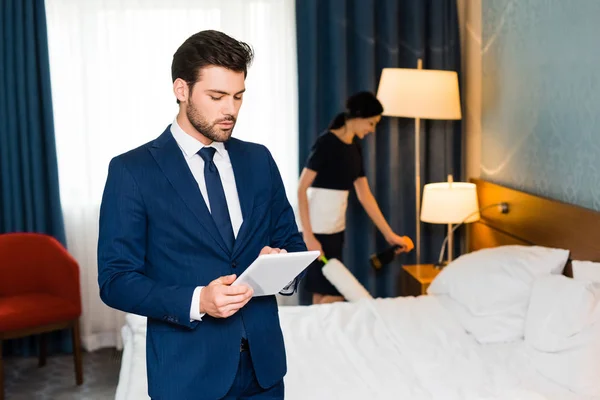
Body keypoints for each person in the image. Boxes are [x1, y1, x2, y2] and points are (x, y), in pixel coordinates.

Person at [97, 30, 306, 400]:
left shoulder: (259, 160)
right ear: (181, 89)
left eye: (238, 96)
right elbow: (116, 280)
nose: (231, 109)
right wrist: (198, 301)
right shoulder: (132, 171)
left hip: (265, 370)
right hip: (186, 374)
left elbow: (291, 242)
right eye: (217, 96)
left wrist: (280, 265)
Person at [297, 92, 415, 305]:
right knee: (332, 294)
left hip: (335, 231)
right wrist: (308, 236)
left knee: (322, 294)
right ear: (357, 117)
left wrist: (389, 235)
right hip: (315, 232)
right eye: (371, 123)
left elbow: (365, 195)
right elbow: (301, 189)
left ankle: (320, 337)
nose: (372, 129)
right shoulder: (326, 144)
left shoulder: (354, 147)